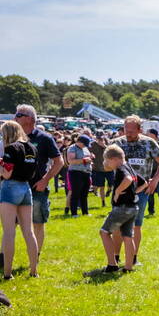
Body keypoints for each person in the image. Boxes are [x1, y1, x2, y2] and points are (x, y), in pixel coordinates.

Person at [110, 115, 159, 269]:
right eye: (126, 130)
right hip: (121, 191)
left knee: (136, 226)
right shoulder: (117, 143)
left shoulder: (148, 143)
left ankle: (133, 258)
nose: (128, 134)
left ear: (139, 129)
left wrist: (155, 180)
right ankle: (115, 258)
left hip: (141, 192)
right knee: (117, 224)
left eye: (131, 131)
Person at [15, 105, 63, 256]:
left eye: (18, 115)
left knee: (37, 224)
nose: (15, 117)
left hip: (37, 188)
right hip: (14, 186)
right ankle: (5, 257)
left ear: (29, 119)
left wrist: (45, 180)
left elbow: (59, 162)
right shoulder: (13, 136)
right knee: (10, 225)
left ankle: (35, 256)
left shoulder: (44, 138)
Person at [1, 121, 40, 279]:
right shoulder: (32, 147)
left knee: (9, 232)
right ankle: (33, 271)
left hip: (10, 187)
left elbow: (7, 174)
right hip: (26, 188)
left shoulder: (11, 148)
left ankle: (7, 273)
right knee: (29, 232)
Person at [98, 145, 146, 274]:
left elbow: (128, 179)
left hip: (122, 208)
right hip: (133, 207)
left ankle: (112, 265)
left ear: (114, 159)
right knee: (127, 236)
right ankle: (128, 267)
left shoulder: (121, 169)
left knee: (104, 232)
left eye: (108, 161)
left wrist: (117, 192)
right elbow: (144, 183)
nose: (108, 164)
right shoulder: (130, 167)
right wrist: (134, 193)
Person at [66, 135, 93, 217]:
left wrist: (90, 157)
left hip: (86, 172)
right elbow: (71, 161)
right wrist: (84, 160)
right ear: (79, 142)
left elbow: (86, 157)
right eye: (84, 144)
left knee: (84, 194)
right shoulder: (72, 148)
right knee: (76, 193)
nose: (85, 146)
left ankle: (85, 212)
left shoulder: (85, 148)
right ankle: (74, 213)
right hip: (76, 173)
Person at [89, 135, 111, 207]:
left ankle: (109, 190)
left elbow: (112, 152)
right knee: (101, 186)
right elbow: (88, 153)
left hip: (109, 168)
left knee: (111, 184)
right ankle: (103, 202)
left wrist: (104, 146)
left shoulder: (109, 143)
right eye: (98, 139)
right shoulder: (92, 145)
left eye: (101, 139)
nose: (100, 140)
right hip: (98, 169)